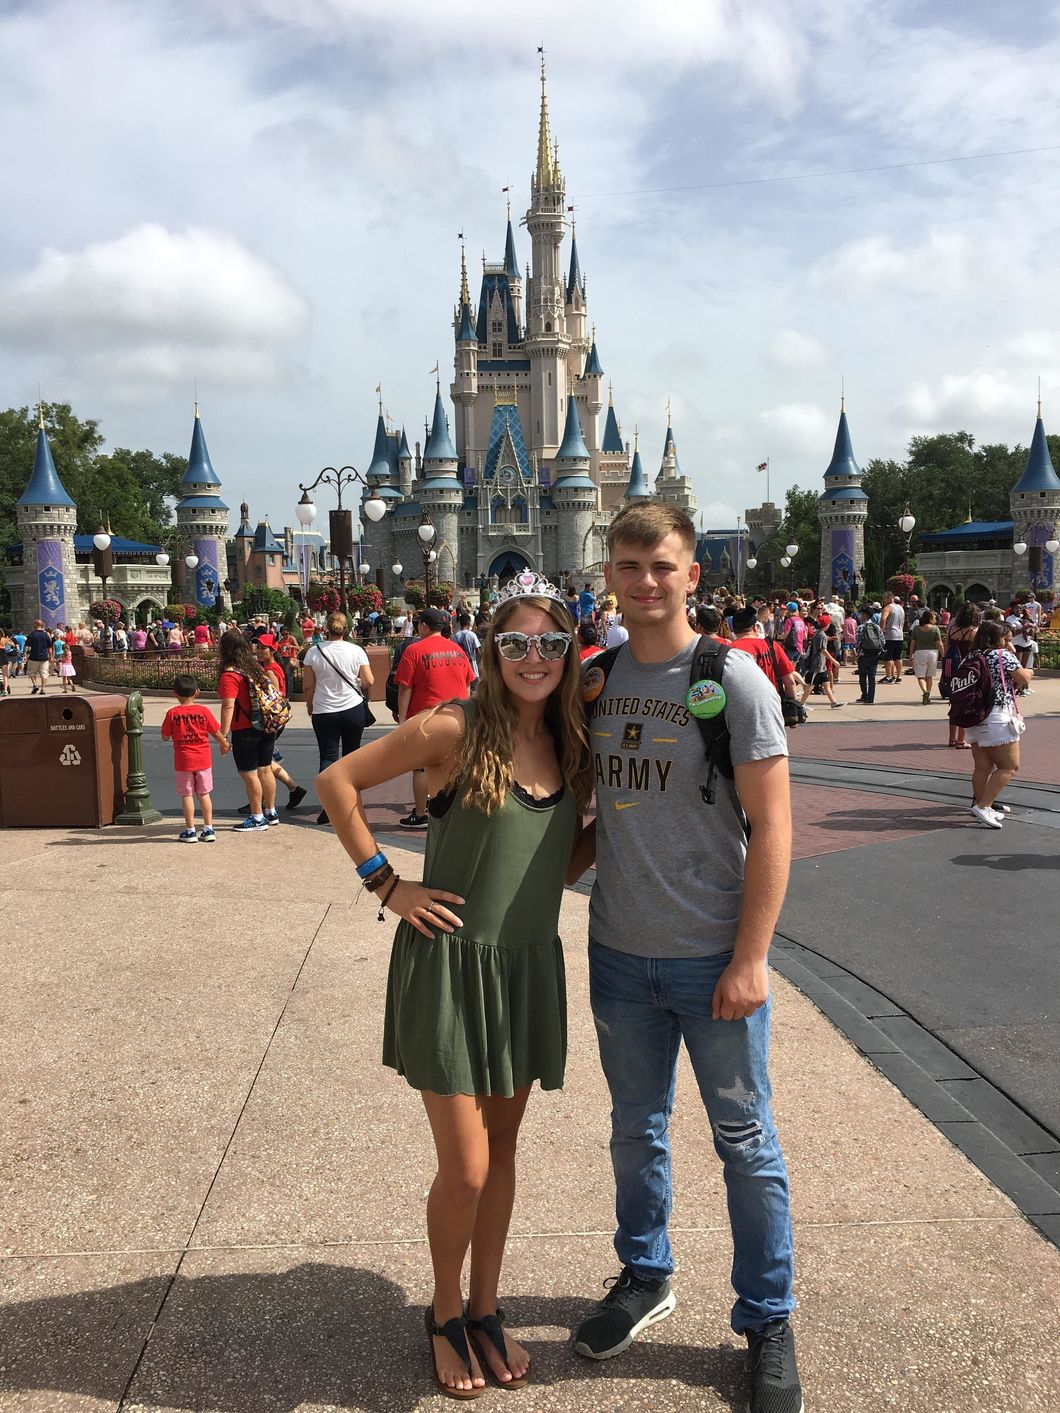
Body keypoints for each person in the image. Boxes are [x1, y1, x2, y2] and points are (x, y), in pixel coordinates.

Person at [316, 575, 592, 1399]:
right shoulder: (453, 726)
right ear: (491, 650)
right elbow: (337, 784)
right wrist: (387, 883)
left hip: (524, 968)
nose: (534, 657)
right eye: (517, 643)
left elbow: (558, 860)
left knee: (503, 1151)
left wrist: (618, 834)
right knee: (466, 1167)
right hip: (450, 965)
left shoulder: (571, 742)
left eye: (550, 643)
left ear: (569, 651)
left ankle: (484, 1307)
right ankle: (442, 1310)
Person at [568, 502, 802, 1413]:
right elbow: (590, 817)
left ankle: (768, 1318)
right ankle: (645, 1271)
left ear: (691, 574)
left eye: (661, 565)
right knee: (636, 1129)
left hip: (712, 957)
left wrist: (751, 957)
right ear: (610, 574)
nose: (645, 581)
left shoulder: (731, 680)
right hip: (620, 953)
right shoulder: (596, 680)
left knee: (745, 1142)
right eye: (629, 565)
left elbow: (774, 825)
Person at [393, 607, 475, 829]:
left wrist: (403, 720)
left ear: (424, 626)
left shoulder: (414, 650)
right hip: (456, 716)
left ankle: (421, 814)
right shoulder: (457, 650)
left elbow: (405, 688)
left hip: (425, 717)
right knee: (453, 766)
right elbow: (468, 683)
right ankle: (454, 812)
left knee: (421, 767)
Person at [302, 613, 374, 826]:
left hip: (324, 709)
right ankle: (350, 804)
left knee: (328, 756)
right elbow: (369, 681)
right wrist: (356, 681)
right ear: (347, 629)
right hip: (352, 708)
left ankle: (328, 806)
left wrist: (309, 704)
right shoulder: (356, 650)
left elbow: (308, 686)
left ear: (326, 628)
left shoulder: (314, 652)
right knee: (351, 757)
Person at [965, 619, 1033, 828]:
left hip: (974, 716)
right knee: (1009, 766)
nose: (1008, 643)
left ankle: (981, 803)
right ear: (998, 638)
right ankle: (984, 806)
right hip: (996, 715)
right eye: (1006, 638)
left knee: (982, 767)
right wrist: (1029, 672)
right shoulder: (1001, 655)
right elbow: (1023, 678)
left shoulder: (971, 655)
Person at [217, 629, 284, 831]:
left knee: (249, 773)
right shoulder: (255, 668)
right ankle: (271, 811)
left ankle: (257, 816)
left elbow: (228, 705)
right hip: (266, 725)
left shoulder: (230, 674)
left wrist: (223, 735)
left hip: (245, 728)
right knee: (265, 769)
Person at [161, 673, 230, 842]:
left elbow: (165, 736)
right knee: (204, 794)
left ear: (174, 694)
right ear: (197, 692)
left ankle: (190, 831)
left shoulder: (172, 713)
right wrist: (224, 744)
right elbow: (216, 732)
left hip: (183, 760)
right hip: (203, 759)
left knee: (187, 795)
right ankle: (208, 829)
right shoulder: (203, 711)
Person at [944, 603, 980, 747]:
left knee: (954, 703)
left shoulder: (952, 629)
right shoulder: (975, 632)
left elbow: (946, 649)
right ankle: (961, 740)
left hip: (952, 669)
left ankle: (951, 739)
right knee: (966, 704)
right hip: (967, 670)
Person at [799, 615, 842, 708]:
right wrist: (833, 660)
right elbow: (823, 650)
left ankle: (833, 702)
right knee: (811, 684)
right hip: (817, 664)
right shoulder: (821, 635)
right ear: (827, 625)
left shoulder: (818, 633)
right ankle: (801, 704)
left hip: (821, 665)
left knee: (826, 683)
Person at [909, 608, 943, 703]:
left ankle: (925, 691)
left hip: (920, 653)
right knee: (929, 676)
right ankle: (928, 695)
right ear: (930, 618)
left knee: (920, 676)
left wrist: (911, 654)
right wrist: (943, 654)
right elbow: (939, 643)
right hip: (932, 653)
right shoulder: (935, 628)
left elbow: (912, 644)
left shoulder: (916, 629)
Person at [855, 607, 884, 704]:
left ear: (866, 615)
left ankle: (864, 695)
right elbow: (882, 640)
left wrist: (857, 652)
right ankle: (870, 698)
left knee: (862, 676)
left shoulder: (861, 627)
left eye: (862, 614)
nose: (860, 616)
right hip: (875, 654)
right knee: (872, 676)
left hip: (863, 654)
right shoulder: (877, 627)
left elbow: (857, 642)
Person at [880, 591, 906, 684]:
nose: (883, 601)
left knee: (889, 657)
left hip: (890, 634)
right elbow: (903, 622)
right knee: (898, 657)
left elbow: (883, 619)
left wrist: (882, 630)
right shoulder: (901, 608)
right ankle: (898, 676)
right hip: (899, 634)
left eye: (884, 598)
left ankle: (888, 676)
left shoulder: (887, 608)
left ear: (889, 598)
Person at [25, 620, 52, 694]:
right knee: (44, 674)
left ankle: (35, 685)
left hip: (33, 657)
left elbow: (28, 647)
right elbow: (49, 647)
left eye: (34, 624)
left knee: (32, 672)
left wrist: (26, 655)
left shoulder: (31, 635)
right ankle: (43, 688)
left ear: (36, 624)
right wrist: (50, 657)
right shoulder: (46, 635)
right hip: (44, 657)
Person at [453, 613, 481, 683]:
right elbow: (478, 651)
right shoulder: (472, 635)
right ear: (469, 623)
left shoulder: (455, 636)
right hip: (473, 668)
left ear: (460, 623)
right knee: (475, 688)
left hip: (461, 668)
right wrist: (476, 661)